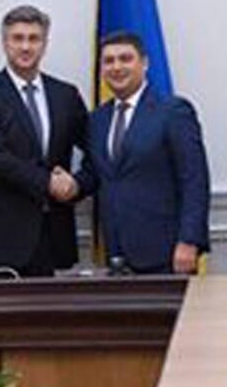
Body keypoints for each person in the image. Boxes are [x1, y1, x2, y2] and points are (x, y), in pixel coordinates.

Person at [0, 5, 95, 276]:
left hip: (53, 234)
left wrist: (77, 184)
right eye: (18, 38)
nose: (25, 47)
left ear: (45, 44)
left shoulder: (66, 95)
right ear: (5, 43)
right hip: (1, 239)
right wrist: (48, 182)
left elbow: (96, 152)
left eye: (34, 39)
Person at [88, 31, 210, 274]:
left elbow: (194, 179)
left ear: (144, 63)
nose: (117, 67)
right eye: (109, 61)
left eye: (125, 59)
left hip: (168, 252)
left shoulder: (173, 111)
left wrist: (189, 240)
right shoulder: (98, 119)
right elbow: (97, 173)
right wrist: (67, 183)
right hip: (116, 252)